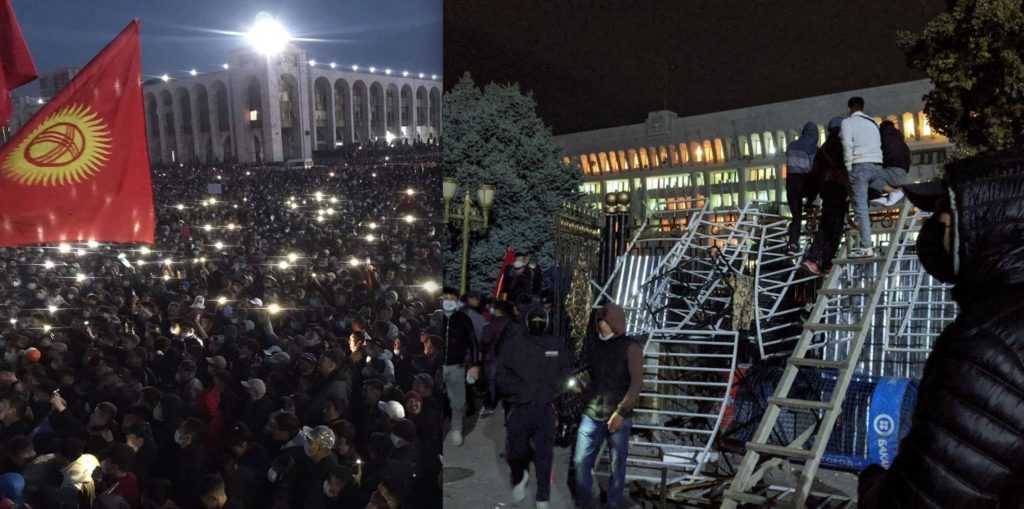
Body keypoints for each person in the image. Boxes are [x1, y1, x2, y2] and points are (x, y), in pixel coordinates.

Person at [856, 155, 1024, 506]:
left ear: (984, 226)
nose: (932, 233)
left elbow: (928, 497)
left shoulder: (990, 344)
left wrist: (873, 487)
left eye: (943, 220)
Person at [495, 304, 571, 509]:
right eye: (534, 320)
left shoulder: (556, 344)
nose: (538, 324)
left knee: (545, 456)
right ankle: (520, 475)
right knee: (515, 452)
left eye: (541, 320)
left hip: (546, 408)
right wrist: (517, 392)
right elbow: (501, 375)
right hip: (520, 407)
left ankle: (543, 497)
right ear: (527, 322)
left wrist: (555, 394)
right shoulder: (513, 345)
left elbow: (565, 372)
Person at [573, 303, 642, 509]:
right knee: (580, 462)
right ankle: (584, 503)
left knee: (616, 466)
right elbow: (591, 375)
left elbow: (637, 383)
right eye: (600, 321)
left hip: (618, 415)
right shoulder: (594, 344)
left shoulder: (631, 347)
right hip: (592, 412)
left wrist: (621, 412)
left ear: (616, 322)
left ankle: (613, 504)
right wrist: (582, 384)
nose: (602, 325)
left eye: (606, 321)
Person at [842, 96, 899, 258]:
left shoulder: (848, 122)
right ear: (862, 107)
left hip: (859, 165)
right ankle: (895, 192)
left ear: (849, 109)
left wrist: (848, 167)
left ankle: (866, 247)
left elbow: (847, 145)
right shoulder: (872, 122)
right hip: (876, 164)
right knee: (874, 181)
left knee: (861, 208)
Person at [804, 117, 851, 274]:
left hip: (826, 193)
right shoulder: (842, 146)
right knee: (835, 228)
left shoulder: (823, 149)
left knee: (826, 225)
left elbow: (814, 175)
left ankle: (814, 258)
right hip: (838, 191)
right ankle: (826, 261)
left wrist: (811, 199)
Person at [440, 287, 476, 446]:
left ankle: (456, 429)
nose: (448, 301)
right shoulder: (436, 317)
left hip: (456, 366)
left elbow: (473, 343)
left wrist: (474, 365)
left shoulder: (463, 319)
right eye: (445, 298)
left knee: (458, 401)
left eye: (451, 298)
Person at [784, 121, 821, 254]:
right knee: (817, 183)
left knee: (796, 217)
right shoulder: (813, 147)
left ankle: (793, 244)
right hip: (804, 181)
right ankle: (809, 205)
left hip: (790, 182)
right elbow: (814, 170)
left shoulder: (791, 145)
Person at [480, 300, 515, 416]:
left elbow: (486, 339)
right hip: (508, 356)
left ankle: (491, 405)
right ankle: (506, 406)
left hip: (492, 356)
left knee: (492, 381)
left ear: (497, 310)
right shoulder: (511, 321)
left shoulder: (493, 323)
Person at [869, 120, 911, 207]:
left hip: (893, 173)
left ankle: (893, 192)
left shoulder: (884, 138)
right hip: (901, 174)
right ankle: (886, 197)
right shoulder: (899, 139)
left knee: (865, 174)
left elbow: (881, 158)